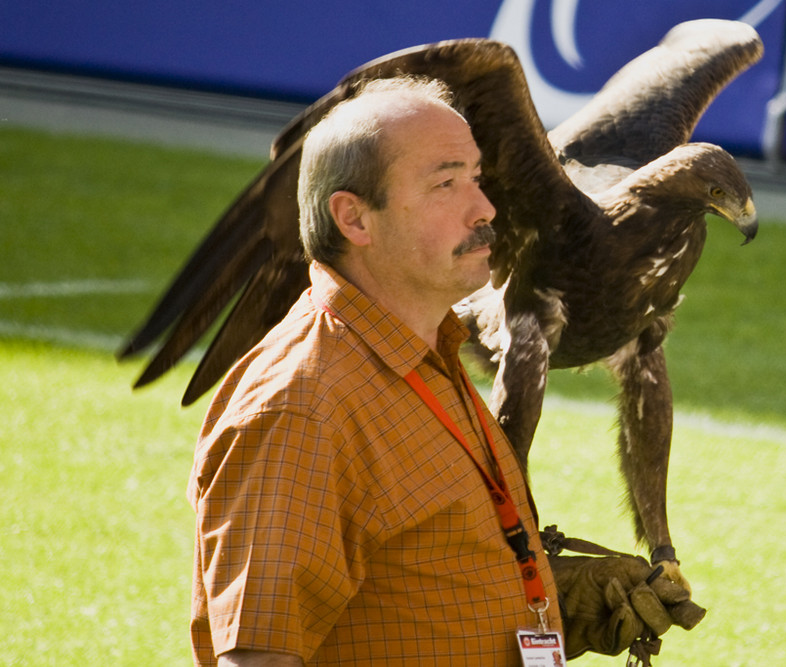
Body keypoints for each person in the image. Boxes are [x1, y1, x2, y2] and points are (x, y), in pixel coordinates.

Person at [187, 76, 695, 667]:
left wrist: (553, 604)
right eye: (445, 184)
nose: (486, 209)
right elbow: (259, 659)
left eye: (477, 179)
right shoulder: (301, 410)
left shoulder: (428, 358)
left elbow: (417, 582)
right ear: (354, 219)